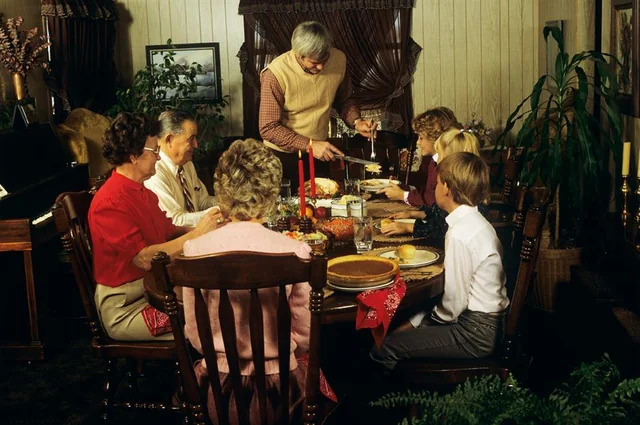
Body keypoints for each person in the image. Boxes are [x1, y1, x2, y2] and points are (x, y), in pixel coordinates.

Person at [182, 138, 312, 424]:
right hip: (280, 385)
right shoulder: (295, 251)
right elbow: (304, 333)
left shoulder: (194, 250)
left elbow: (194, 332)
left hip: (219, 384)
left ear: (222, 191)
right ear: (272, 193)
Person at [89, 112, 224, 341]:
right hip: (128, 308)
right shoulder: (109, 202)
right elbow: (143, 258)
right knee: (207, 323)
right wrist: (199, 232)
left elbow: (170, 230)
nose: (159, 158)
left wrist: (216, 227)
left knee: (219, 308)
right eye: (154, 151)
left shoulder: (142, 191)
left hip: (156, 292)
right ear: (133, 156)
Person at [371, 152, 509, 367]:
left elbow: (453, 306)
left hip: (476, 332)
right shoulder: (474, 221)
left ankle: (398, 397)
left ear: (446, 188)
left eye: (436, 183)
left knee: (385, 346)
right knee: (402, 326)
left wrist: (420, 324)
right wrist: (414, 322)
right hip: (485, 323)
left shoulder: (460, 233)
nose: (434, 187)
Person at [259, 21, 375, 186]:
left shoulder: (339, 59)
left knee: (322, 207)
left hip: (320, 153)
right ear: (299, 55)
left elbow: (345, 100)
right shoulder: (275, 74)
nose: (321, 67)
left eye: (325, 59)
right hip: (281, 158)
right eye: (314, 63)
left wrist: (357, 122)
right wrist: (309, 145)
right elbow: (268, 127)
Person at [381, 128, 481, 241]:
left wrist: (409, 227)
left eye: (439, 155)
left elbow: (443, 228)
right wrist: (413, 214)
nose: (436, 160)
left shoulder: (458, 191)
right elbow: (441, 214)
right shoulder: (459, 184)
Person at [144, 110, 218, 226]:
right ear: (169, 140)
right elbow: (175, 221)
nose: (196, 145)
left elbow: (203, 201)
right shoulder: (154, 172)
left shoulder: (187, 164)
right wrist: (218, 213)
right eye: (191, 139)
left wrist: (228, 204)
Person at [378, 107, 460, 206]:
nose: (418, 143)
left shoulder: (447, 165)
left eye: (421, 138)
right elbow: (426, 191)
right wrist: (401, 186)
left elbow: (433, 201)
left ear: (436, 139)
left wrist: (403, 195)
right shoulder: (432, 160)